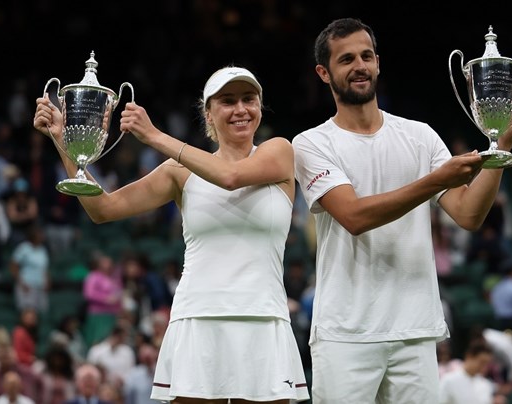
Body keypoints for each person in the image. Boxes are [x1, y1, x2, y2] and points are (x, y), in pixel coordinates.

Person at [291, 17, 512, 402]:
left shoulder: (420, 135)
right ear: (324, 73)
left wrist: (503, 140)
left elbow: (468, 215)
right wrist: (436, 180)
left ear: (378, 62)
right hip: (346, 333)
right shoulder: (311, 144)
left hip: (416, 329)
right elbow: (354, 217)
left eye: (367, 56)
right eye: (346, 60)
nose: (360, 66)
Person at [34, 65, 309, 402]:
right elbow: (102, 209)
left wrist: (154, 136)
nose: (240, 109)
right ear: (208, 113)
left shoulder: (280, 152)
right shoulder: (179, 172)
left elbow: (230, 176)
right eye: (227, 100)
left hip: (264, 318)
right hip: (197, 319)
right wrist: (63, 140)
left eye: (248, 99)